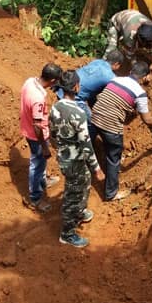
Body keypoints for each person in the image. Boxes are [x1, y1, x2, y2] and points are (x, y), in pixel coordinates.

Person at [90, 61, 152, 201]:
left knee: (88, 145)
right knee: (114, 158)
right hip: (110, 125)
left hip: (94, 117)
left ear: (130, 72)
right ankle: (111, 194)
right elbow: (147, 120)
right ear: (145, 77)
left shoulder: (115, 79)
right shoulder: (140, 93)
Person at [50, 70, 105, 249]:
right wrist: (97, 168)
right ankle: (67, 234)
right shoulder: (78, 113)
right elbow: (86, 144)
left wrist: (60, 148)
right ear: (76, 87)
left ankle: (80, 211)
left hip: (65, 156)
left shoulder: (55, 107)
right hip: (74, 161)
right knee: (72, 195)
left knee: (85, 180)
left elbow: (52, 133)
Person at [20, 63, 62, 213]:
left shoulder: (30, 81)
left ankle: (43, 181)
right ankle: (35, 198)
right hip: (35, 135)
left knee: (39, 163)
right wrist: (44, 146)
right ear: (52, 81)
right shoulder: (38, 98)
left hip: (26, 127)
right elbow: (37, 125)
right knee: (37, 164)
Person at [55, 50, 125, 121]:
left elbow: (91, 87)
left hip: (62, 90)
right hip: (74, 98)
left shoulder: (96, 62)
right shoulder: (110, 76)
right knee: (91, 124)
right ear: (116, 64)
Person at [104, 10, 152, 74]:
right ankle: (102, 68)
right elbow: (130, 55)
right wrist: (138, 71)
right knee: (111, 48)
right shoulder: (130, 34)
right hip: (115, 22)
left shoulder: (151, 28)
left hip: (132, 18)